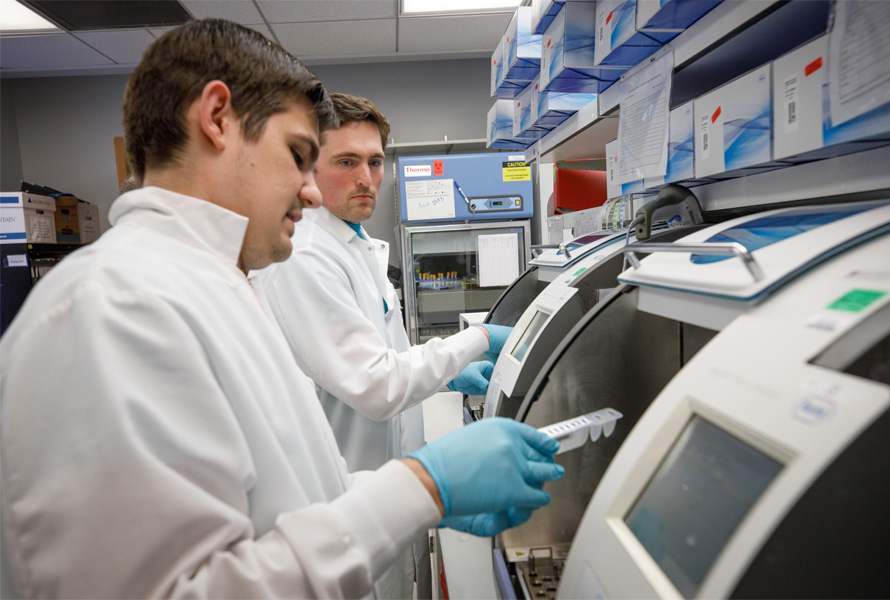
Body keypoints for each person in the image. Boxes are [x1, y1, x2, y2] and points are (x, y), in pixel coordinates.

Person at [0, 19, 563, 600]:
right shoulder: (114, 309)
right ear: (217, 118)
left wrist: (408, 500)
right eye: (299, 155)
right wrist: (422, 488)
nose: (313, 191)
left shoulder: (218, 285)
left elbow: (290, 486)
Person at [253, 92, 513, 598]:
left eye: (374, 162)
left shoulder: (355, 244)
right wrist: (475, 340)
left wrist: (447, 375)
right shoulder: (307, 255)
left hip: (384, 493)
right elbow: (375, 387)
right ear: (308, 168)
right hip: (345, 510)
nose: (366, 178)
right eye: (346, 162)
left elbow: (378, 351)